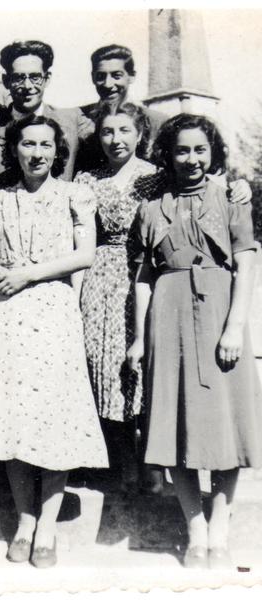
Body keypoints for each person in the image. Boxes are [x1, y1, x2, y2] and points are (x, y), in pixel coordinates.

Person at [127, 114, 262, 569]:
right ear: (168, 154)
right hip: (168, 317)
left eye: (200, 150)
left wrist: (234, 326)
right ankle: (196, 529)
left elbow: (246, 265)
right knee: (175, 422)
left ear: (212, 152)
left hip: (220, 313)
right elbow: (144, 277)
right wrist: (141, 338)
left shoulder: (231, 198)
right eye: (182, 150)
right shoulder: (150, 207)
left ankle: (221, 529)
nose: (191, 159)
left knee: (227, 424)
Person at [0, 114, 108, 569]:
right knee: (14, 417)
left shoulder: (74, 195)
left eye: (46, 145)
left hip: (53, 310)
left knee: (54, 419)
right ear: (14, 149)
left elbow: (85, 254)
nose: (37, 153)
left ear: (58, 151)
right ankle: (25, 520)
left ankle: (48, 525)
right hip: (9, 313)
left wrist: (27, 273)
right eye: (28, 144)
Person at [74, 103, 159, 490]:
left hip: (141, 273)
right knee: (99, 361)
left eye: (124, 131)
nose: (115, 139)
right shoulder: (87, 178)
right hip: (97, 274)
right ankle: (109, 460)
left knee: (138, 364)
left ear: (140, 134)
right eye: (108, 132)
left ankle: (148, 464)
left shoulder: (157, 178)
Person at [0, 40, 81, 205]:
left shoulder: (71, 122)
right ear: (6, 81)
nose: (27, 86)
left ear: (47, 78)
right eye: (19, 78)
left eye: (35, 77)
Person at [76, 44, 167, 173]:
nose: (108, 84)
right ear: (93, 77)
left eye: (116, 76)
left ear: (131, 76)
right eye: (101, 76)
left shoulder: (157, 121)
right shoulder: (80, 118)